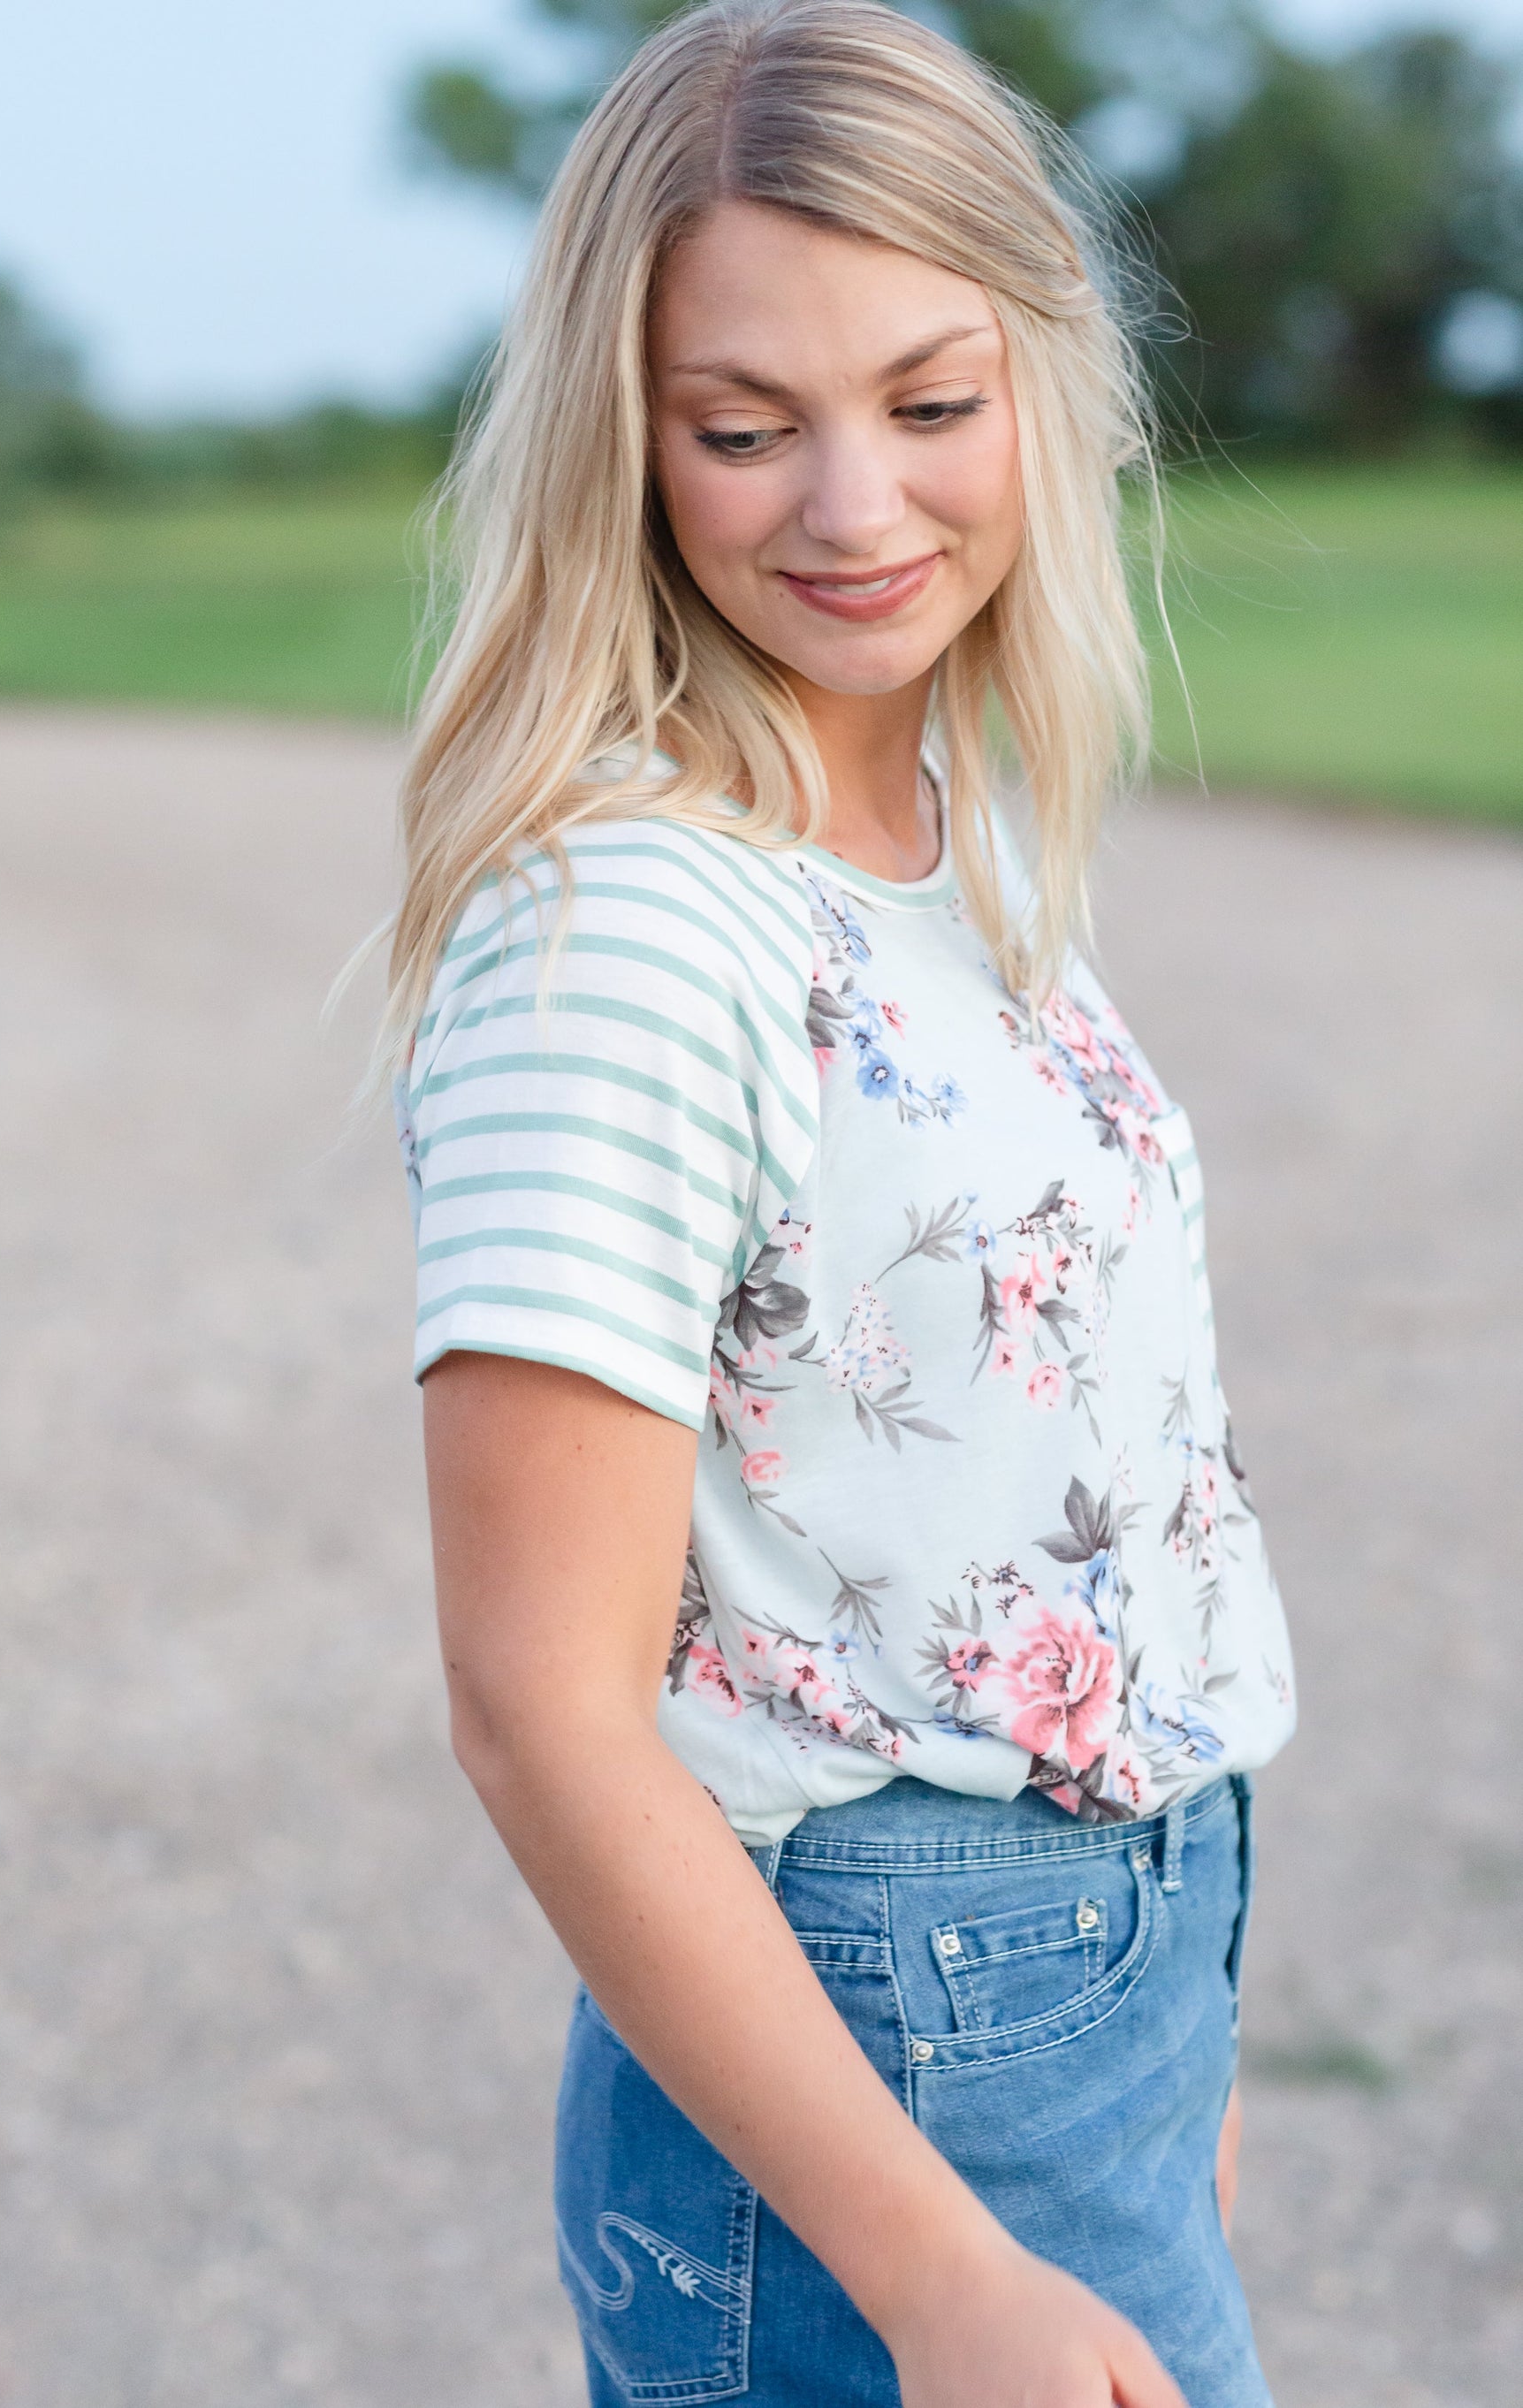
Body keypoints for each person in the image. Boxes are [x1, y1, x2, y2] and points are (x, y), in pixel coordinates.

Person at [381, 4, 1296, 2401]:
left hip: (1077, 1997)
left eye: (926, 401)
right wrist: (938, 2265)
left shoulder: (953, 854)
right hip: (881, 2058)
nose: (851, 508)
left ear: (1040, 390)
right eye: (741, 426)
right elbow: (538, 1710)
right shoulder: (628, 933)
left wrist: (1164, 2042)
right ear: (627, 441)